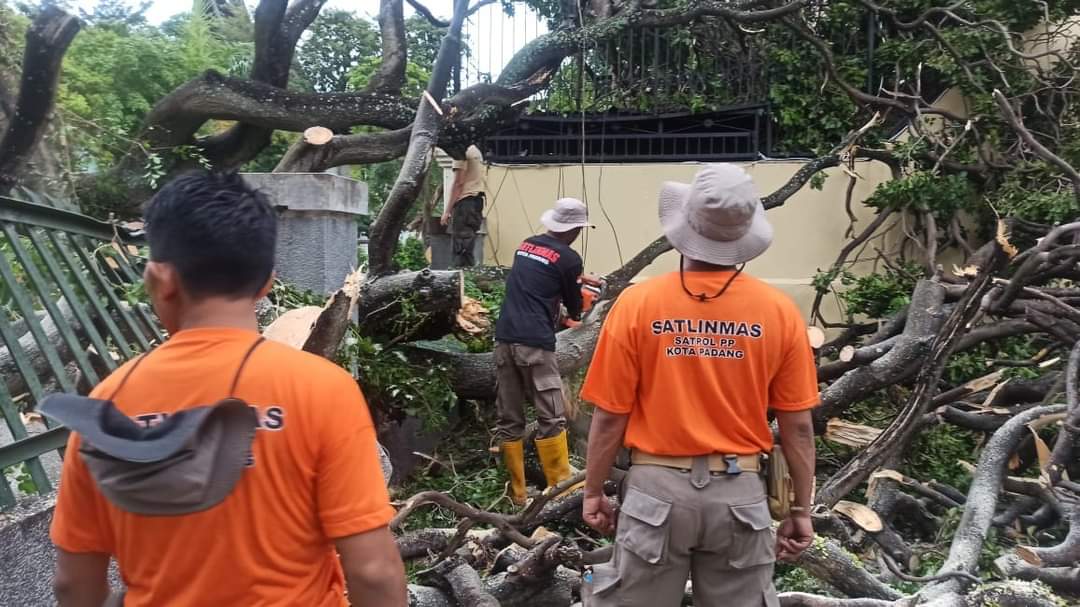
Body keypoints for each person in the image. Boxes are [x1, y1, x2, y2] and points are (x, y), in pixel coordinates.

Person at [48, 172, 407, 607]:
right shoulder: (321, 389)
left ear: (160, 279)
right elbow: (372, 571)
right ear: (266, 284)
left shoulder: (105, 402)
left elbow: (74, 585)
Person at [578, 164, 819, 606]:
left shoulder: (637, 305)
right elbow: (798, 428)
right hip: (740, 499)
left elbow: (610, 416)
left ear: (683, 227)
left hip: (655, 494)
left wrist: (593, 492)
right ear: (743, 238)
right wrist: (800, 510)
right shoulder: (779, 312)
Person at [494, 197, 595, 506]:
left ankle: (517, 495)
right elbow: (575, 307)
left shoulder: (526, 245)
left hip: (504, 340)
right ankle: (559, 489)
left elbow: (540, 280)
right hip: (535, 344)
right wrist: (579, 306)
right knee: (551, 416)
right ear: (576, 229)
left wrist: (578, 281)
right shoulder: (569, 258)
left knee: (509, 418)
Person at [441, 144, 486, 267]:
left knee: (461, 247)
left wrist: (447, 211)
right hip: (477, 202)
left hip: (465, 203)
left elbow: (458, 183)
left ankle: (459, 279)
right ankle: (468, 276)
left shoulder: (461, 152)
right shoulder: (475, 149)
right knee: (468, 245)